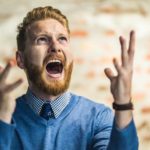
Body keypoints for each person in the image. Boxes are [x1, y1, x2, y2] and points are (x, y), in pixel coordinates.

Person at [0, 6, 138, 150]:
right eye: (42, 39)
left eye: (62, 39)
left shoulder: (98, 118)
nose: (55, 46)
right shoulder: (5, 118)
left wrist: (123, 105)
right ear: (21, 59)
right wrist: (2, 120)